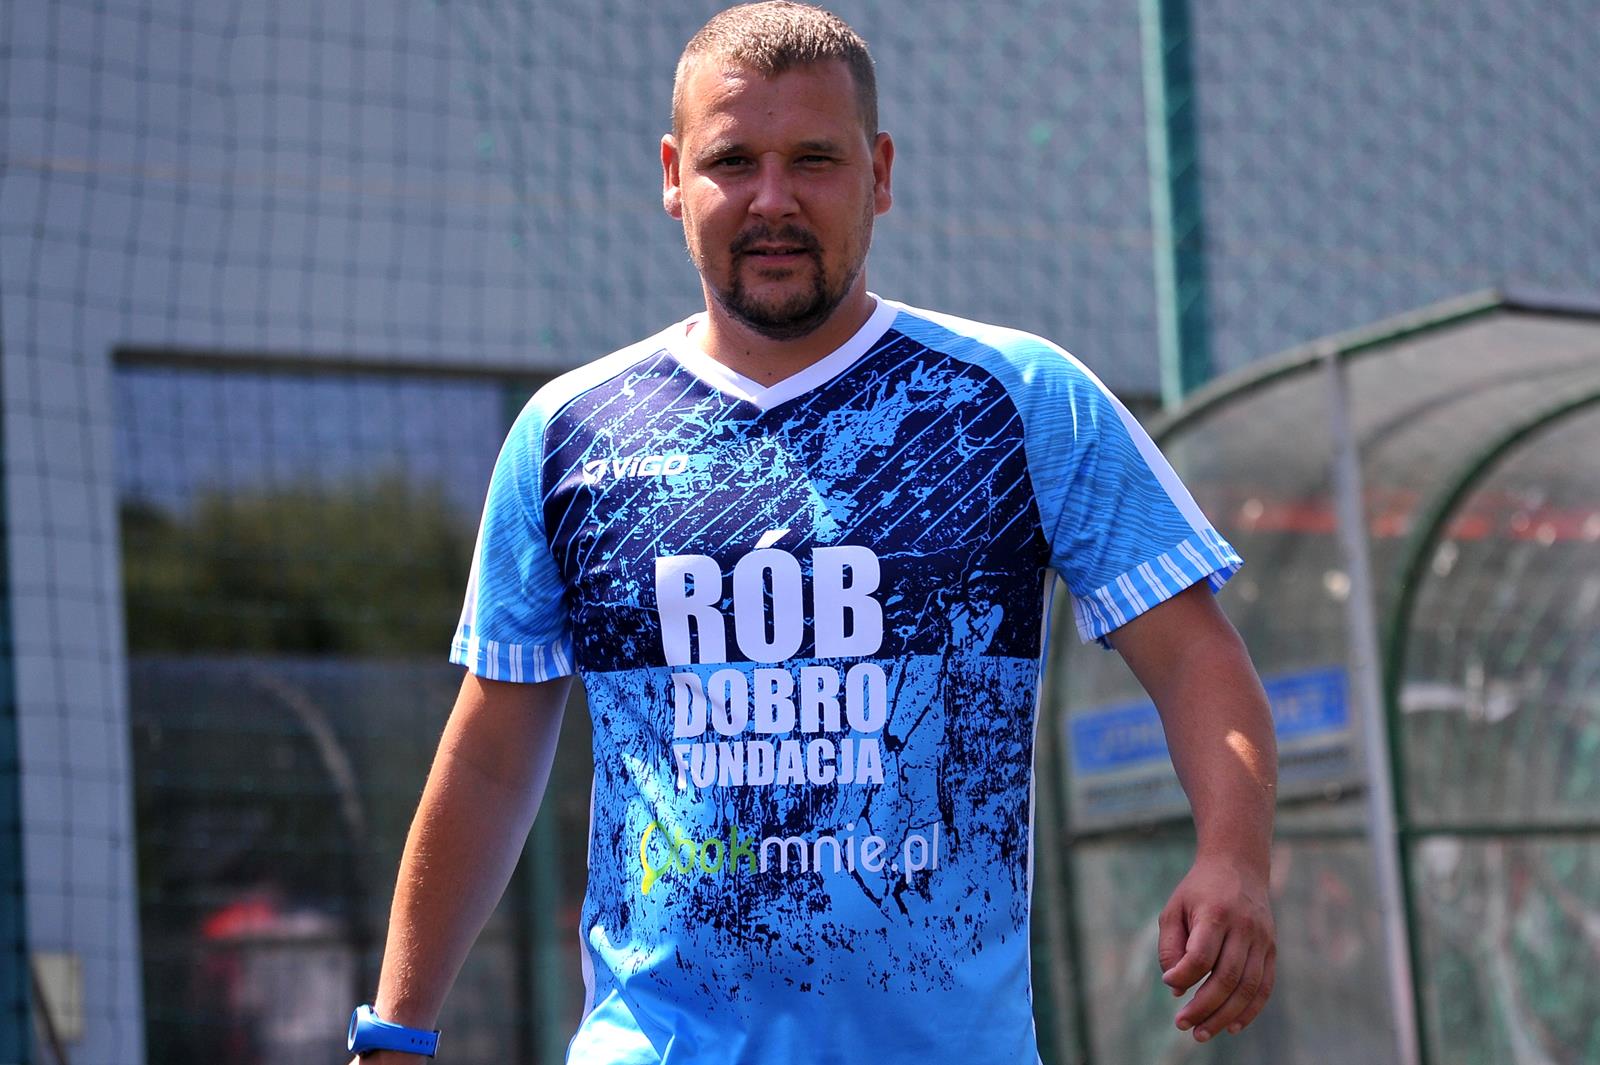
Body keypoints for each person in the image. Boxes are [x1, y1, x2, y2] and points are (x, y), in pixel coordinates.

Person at [349, 3, 1277, 1062]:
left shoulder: (1018, 399)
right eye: (732, 161)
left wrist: (1235, 858)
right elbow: (490, 758)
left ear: (879, 173)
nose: (772, 200)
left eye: (814, 161)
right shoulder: (571, 432)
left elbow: (1196, 658)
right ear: (673, 176)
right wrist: (396, 1028)